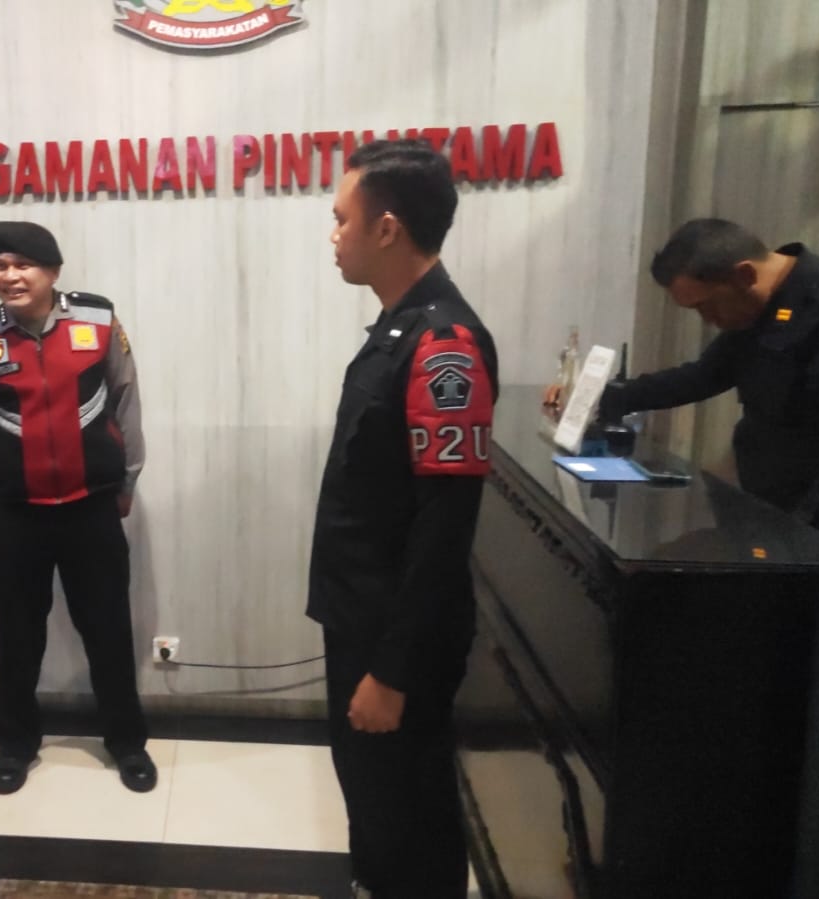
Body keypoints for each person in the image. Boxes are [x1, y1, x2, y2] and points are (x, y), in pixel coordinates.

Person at [308, 140, 498, 899]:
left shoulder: (444, 345)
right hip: (364, 617)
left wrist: (392, 670)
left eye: (340, 218)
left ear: (386, 228)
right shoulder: (399, 329)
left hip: (396, 637)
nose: (333, 235)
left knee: (408, 815)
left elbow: (445, 525)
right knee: (375, 802)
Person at [0, 221, 155, 796]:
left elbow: (126, 398)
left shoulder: (98, 321)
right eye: (1, 265)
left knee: (108, 629)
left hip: (91, 507)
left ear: (53, 271)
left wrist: (128, 478)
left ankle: (127, 742)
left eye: (23, 265)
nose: (10, 276)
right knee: (17, 636)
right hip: (15, 513)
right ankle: (15, 746)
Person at [547, 219, 819, 527]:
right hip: (762, 505)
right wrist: (598, 396)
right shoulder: (753, 303)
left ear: (745, 275)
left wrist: (800, 530)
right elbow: (702, 377)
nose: (707, 320)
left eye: (706, 306)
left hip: (810, 522)